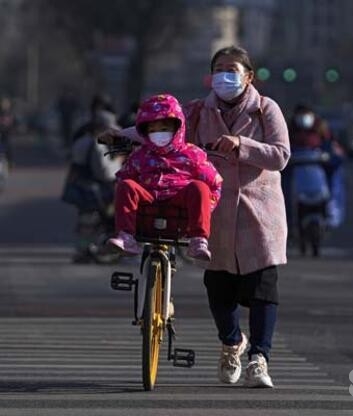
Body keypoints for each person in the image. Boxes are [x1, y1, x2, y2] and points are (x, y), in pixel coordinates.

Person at [100, 45, 289, 388]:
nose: (225, 75)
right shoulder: (198, 112)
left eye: (232, 69)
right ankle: (232, 343)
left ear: (249, 76)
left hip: (258, 212)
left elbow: (281, 155)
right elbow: (155, 127)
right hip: (212, 212)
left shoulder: (266, 110)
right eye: (219, 69)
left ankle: (259, 358)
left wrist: (242, 145)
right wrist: (117, 135)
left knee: (263, 288)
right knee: (220, 289)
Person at [107, 94, 222, 262]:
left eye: (164, 129)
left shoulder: (193, 154)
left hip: (180, 201)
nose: (158, 135)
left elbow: (215, 184)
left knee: (200, 187)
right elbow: (124, 178)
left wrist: (204, 207)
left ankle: (198, 239)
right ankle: (126, 237)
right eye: (152, 131)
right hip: (148, 200)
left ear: (178, 128)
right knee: (126, 185)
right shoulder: (140, 155)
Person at [69, 110, 124, 263]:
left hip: (81, 187)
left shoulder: (81, 141)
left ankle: (83, 251)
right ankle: (93, 249)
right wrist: (118, 162)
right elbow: (105, 172)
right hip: (96, 190)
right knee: (100, 219)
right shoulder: (97, 144)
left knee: (85, 223)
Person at [0, 96, 16, 166]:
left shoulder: (10, 113)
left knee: (9, 146)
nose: (5, 105)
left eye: (6, 104)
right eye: (3, 103)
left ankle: (10, 161)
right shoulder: (1, 113)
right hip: (1, 133)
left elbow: (15, 122)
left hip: (7, 134)